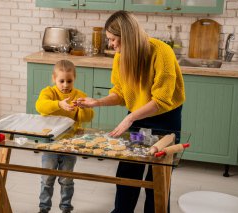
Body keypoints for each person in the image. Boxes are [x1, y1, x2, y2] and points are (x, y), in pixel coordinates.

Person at [75, 10, 185, 213]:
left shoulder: (162, 52)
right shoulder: (120, 57)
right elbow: (120, 94)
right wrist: (96, 102)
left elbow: (161, 101)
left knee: (158, 176)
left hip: (165, 120)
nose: (110, 44)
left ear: (127, 36)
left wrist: (130, 118)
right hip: (138, 119)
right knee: (128, 171)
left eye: (113, 39)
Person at [35, 59, 94, 213]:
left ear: (74, 79)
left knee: (67, 179)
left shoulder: (79, 95)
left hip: (70, 143)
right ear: (54, 79)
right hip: (50, 142)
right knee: (47, 178)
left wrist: (83, 107)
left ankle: (66, 207)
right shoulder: (49, 92)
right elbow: (40, 106)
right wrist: (59, 104)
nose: (66, 85)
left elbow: (88, 117)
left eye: (69, 81)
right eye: (61, 81)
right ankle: (44, 207)